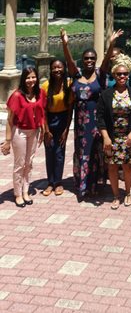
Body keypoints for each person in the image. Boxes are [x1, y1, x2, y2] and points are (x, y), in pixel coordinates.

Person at [61, 27, 123, 201]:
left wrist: (111, 43)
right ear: (83, 60)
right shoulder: (76, 74)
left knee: (97, 154)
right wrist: (65, 44)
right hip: (81, 125)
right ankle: (82, 186)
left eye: (92, 58)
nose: (89, 60)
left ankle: (95, 186)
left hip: (97, 122)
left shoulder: (100, 74)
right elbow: (69, 60)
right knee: (82, 153)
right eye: (86, 58)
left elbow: (106, 60)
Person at [97, 55, 131, 209]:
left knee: (127, 165)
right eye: (119, 74)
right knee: (112, 166)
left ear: (128, 75)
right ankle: (116, 195)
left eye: (124, 74)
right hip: (111, 136)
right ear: (114, 75)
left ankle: (128, 192)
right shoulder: (106, 95)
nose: (122, 76)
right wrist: (105, 137)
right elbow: (100, 117)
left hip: (127, 136)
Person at [0, 67, 47, 207]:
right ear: (23, 79)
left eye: (33, 77)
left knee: (29, 163)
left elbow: (42, 113)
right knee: (19, 164)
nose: (31, 80)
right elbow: (9, 120)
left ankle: (26, 190)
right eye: (28, 78)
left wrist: (43, 131)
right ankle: (18, 193)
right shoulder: (16, 96)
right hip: (19, 132)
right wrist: (7, 141)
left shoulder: (40, 94)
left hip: (34, 131)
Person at [41, 59, 75, 197]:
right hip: (49, 120)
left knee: (59, 153)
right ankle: (50, 182)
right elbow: (42, 110)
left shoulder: (69, 84)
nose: (57, 70)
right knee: (49, 152)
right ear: (50, 70)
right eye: (54, 67)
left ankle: (58, 182)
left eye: (59, 67)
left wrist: (67, 129)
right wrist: (46, 130)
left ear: (64, 68)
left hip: (63, 120)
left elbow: (70, 109)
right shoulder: (45, 86)